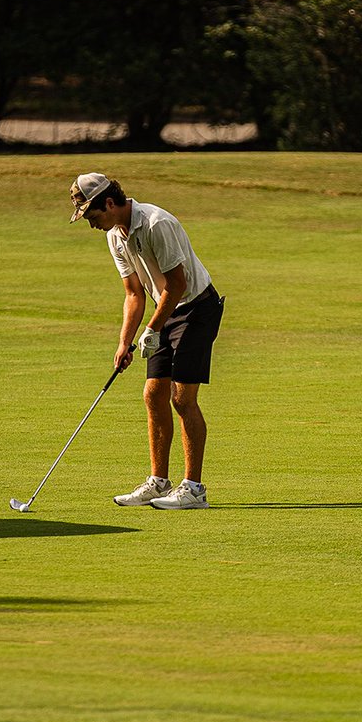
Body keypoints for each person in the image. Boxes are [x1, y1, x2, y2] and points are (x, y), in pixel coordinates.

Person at [70, 172, 224, 510]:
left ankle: (194, 489)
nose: (92, 224)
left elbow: (178, 284)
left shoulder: (156, 224)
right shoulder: (115, 235)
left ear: (109, 203)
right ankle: (158, 482)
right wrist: (124, 342)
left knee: (182, 399)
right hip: (166, 308)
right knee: (153, 395)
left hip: (196, 308)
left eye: (92, 215)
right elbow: (133, 293)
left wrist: (152, 328)